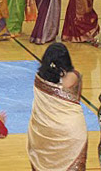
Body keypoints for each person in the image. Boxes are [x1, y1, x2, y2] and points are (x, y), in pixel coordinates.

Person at [27, 43, 87, 171]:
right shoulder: (74, 76)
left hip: (43, 130)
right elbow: (77, 99)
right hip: (70, 130)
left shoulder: (39, 78)